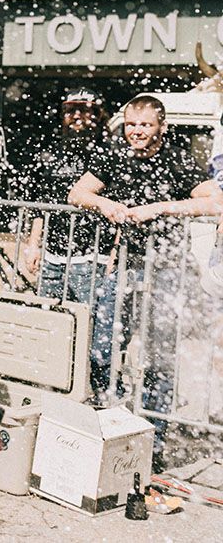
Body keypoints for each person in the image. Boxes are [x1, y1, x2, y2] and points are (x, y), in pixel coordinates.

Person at [69, 94, 223, 469]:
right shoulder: (114, 155)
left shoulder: (177, 160)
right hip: (126, 265)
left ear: (161, 127)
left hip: (169, 269)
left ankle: (152, 446)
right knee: (102, 349)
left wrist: (160, 208)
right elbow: (77, 192)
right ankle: (108, 422)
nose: (136, 132)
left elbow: (216, 202)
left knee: (159, 358)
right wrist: (105, 204)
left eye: (145, 125)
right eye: (131, 125)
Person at [20, 88, 116, 386]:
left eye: (84, 109)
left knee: (94, 329)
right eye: (70, 110)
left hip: (91, 256)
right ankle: (53, 386)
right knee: (50, 324)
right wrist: (33, 244)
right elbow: (42, 203)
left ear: (98, 114)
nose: (77, 116)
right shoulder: (51, 151)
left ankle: (97, 391)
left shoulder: (107, 152)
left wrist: (113, 252)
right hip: (52, 257)